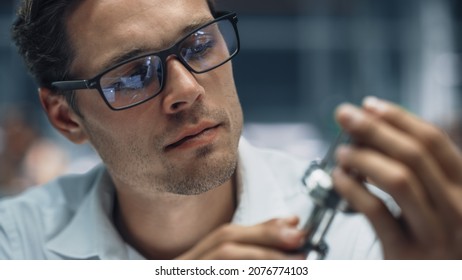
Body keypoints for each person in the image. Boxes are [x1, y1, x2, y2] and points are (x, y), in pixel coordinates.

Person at [1, 0, 460, 259]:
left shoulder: (368, 235)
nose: (187, 90)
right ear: (66, 117)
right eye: (132, 74)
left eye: (199, 44)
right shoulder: (16, 245)